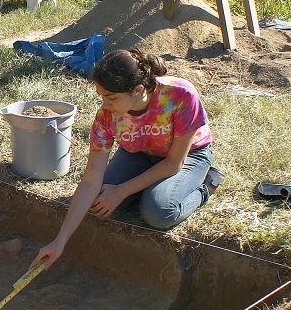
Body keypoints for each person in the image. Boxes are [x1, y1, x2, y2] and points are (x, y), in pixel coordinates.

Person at [33, 48, 222, 269]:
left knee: (158, 212)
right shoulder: (105, 116)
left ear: (138, 90)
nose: (105, 105)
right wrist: (59, 241)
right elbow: (91, 180)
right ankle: (147, 188)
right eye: (102, 97)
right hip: (139, 153)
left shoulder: (180, 95)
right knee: (98, 204)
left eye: (111, 98)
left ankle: (205, 187)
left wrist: (122, 190)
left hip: (188, 155)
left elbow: (173, 163)